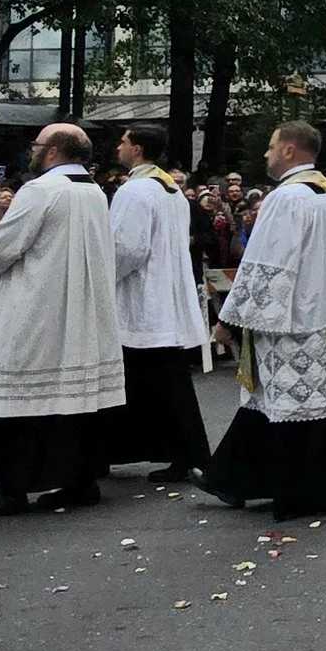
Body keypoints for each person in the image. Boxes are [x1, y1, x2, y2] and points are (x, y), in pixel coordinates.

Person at [0, 125, 127, 519]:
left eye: (36, 145)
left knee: (15, 396)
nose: (31, 151)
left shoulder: (40, 190)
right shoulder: (94, 191)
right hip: (80, 310)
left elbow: (2, 245)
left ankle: (8, 488)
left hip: (36, 309)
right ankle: (79, 479)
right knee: (72, 400)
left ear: (51, 152)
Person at [201, 121, 326, 516]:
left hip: (291, 321)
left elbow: (266, 265)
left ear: (290, 150)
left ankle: (307, 492)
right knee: (285, 405)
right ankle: (230, 477)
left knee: (293, 411)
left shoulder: (287, 198)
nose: (266, 154)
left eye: (272, 146)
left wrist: (234, 320)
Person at [103, 123, 211, 485]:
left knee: (157, 386)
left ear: (137, 149)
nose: (118, 147)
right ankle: (179, 453)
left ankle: (186, 453)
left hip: (143, 300)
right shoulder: (171, 189)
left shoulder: (135, 191)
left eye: (123, 141)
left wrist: (103, 278)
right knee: (162, 386)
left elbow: (126, 249)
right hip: (165, 297)